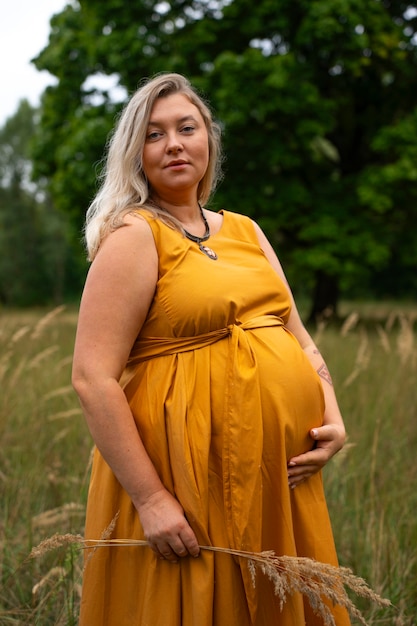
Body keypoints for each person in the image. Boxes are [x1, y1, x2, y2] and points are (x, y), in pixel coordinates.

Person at [72, 72, 350, 626]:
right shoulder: (134, 237)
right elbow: (91, 377)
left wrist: (330, 413)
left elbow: (297, 334)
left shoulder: (246, 230)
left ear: (208, 142)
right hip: (184, 473)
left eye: (186, 128)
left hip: (277, 477)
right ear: (135, 154)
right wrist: (152, 500)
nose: (173, 143)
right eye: (154, 134)